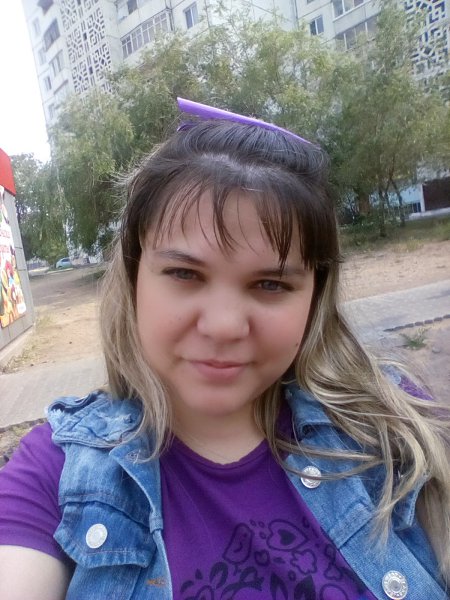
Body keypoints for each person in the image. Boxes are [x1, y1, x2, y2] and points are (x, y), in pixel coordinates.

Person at [0, 98, 448, 600]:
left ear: (314, 297)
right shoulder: (54, 474)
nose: (223, 327)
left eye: (271, 284)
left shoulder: (391, 426)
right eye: (184, 274)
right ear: (134, 276)